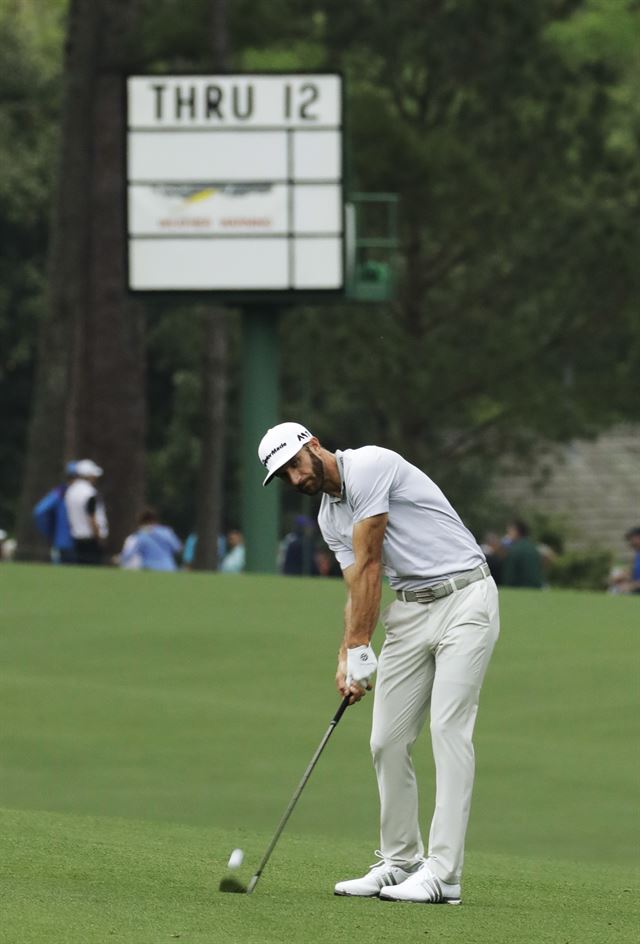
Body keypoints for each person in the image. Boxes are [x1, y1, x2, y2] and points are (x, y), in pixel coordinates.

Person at [258, 422, 500, 904]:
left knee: (449, 732)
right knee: (385, 740)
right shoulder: (329, 518)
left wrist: (362, 648)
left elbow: (370, 565)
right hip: (410, 612)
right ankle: (400, 861)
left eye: (293, 465)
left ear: (313, 446)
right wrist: (347, 657)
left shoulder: (370, 465)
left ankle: (444, 874)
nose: (294, 478)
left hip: (465, 597)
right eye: (283, 476)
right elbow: (356, 587)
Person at [64, 459, 109, 565]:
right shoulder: (89, 493)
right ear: (88, 475)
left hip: (76, 538)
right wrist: (99, 537)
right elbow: (92, 517)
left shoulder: (70, 491)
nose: (95, 478)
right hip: (91, 540)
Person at [32, 461, 78, 563]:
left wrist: (50, 531)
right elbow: (40, 511)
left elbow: (40, 512)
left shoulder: (60, 492)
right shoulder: (62, 493)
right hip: (74, 543)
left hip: (61, 541)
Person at [501, 519, 544, 588]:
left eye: (509, 532)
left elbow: (509, 576)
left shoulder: (514, 550)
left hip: (520, 588)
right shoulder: (533, 547)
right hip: (537, 588)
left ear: (516, 532)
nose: (508, 535)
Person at [609, 526, 640, 594]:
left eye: (632, 539)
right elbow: (635, 573)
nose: (630, 543)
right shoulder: (637, 555)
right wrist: (623, 576)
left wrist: (632, 586)